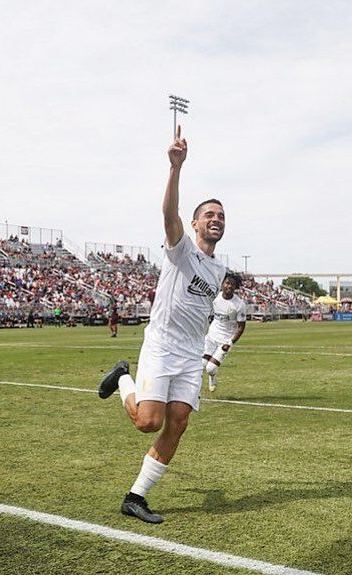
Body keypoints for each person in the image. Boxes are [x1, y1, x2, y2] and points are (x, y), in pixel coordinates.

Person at [98, 125, 227, 524]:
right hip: (162, 345)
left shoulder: (220, 269)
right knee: (147, 422)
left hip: (190, 352)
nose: (216, 220)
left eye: (222, 216)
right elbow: (167, 213)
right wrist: (175, 168)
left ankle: (135, 496)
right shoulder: (180, 248)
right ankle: (123, 378)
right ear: (194, 223)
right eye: (209, 214)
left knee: (179, 423)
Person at [203, 272, 247, 392]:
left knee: (210, 368)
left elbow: (240, 327)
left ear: (236, 287)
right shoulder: (214, 297)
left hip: (225, 341)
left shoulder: (239, 304)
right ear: (222, 284)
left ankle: (212, 376)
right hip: (211, 336)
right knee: (201, 364)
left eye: (233, 284)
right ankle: (194, 392)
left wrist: (230, 343)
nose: (229, 286)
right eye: (227, 283)